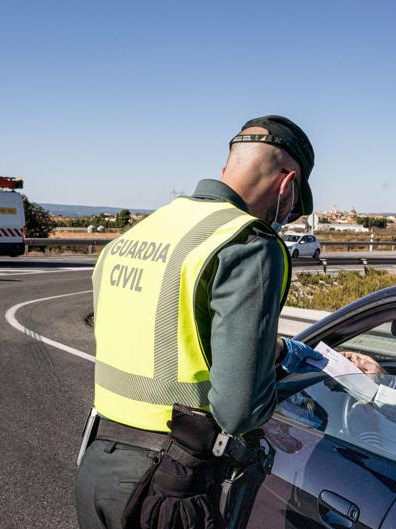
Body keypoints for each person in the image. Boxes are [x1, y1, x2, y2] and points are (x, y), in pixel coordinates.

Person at [75, 115, 323, 529]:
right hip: (168, 483)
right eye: (293, 208)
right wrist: (314, 378)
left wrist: (276, 349)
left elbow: (168, 330)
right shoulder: (247, 244)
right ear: (287, 184)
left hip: (97, 462)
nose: (287, 217)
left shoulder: (144, 230)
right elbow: (240, 410)